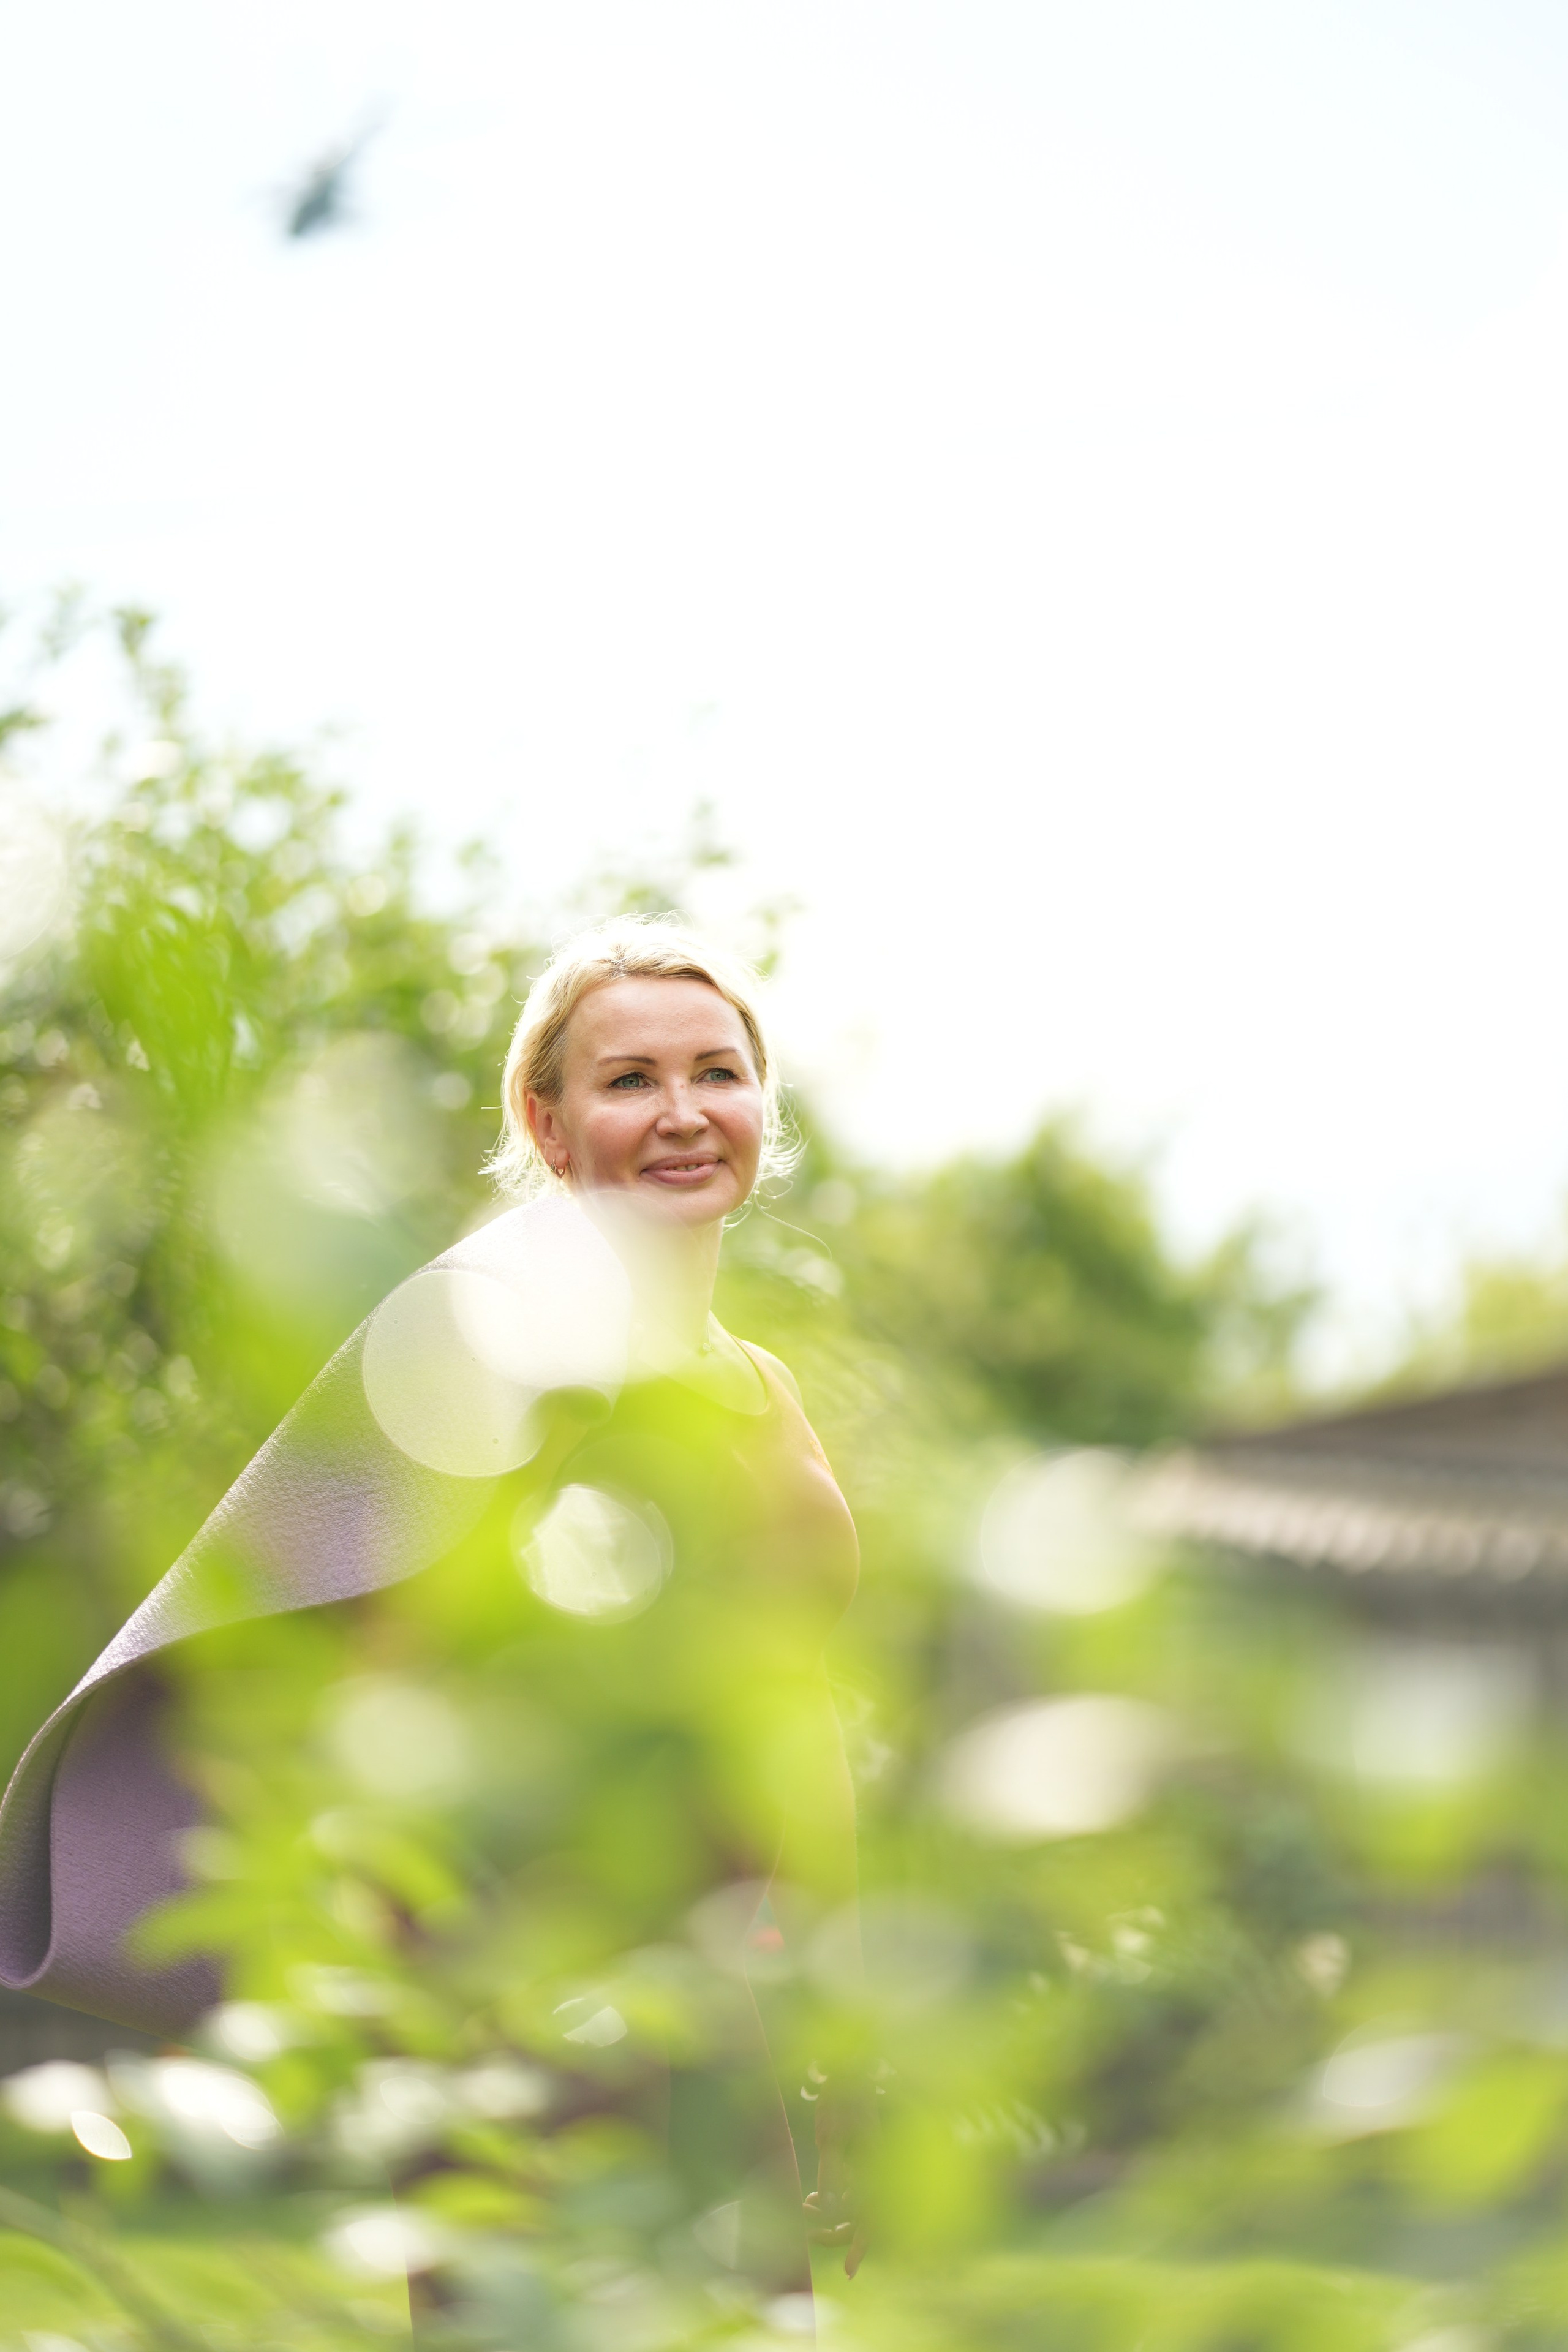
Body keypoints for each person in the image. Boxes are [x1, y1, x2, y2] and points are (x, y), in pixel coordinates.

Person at [0, 913, 867, 2309]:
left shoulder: (764, 1384)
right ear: (548, 1115)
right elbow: (362, 1667)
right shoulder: (484, 1333)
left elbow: (797, 1700)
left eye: (716, 1072)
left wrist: (840, 1989)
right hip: (540, 1993)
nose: (683, 1113)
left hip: (742, 1996)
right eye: (629, 1080)